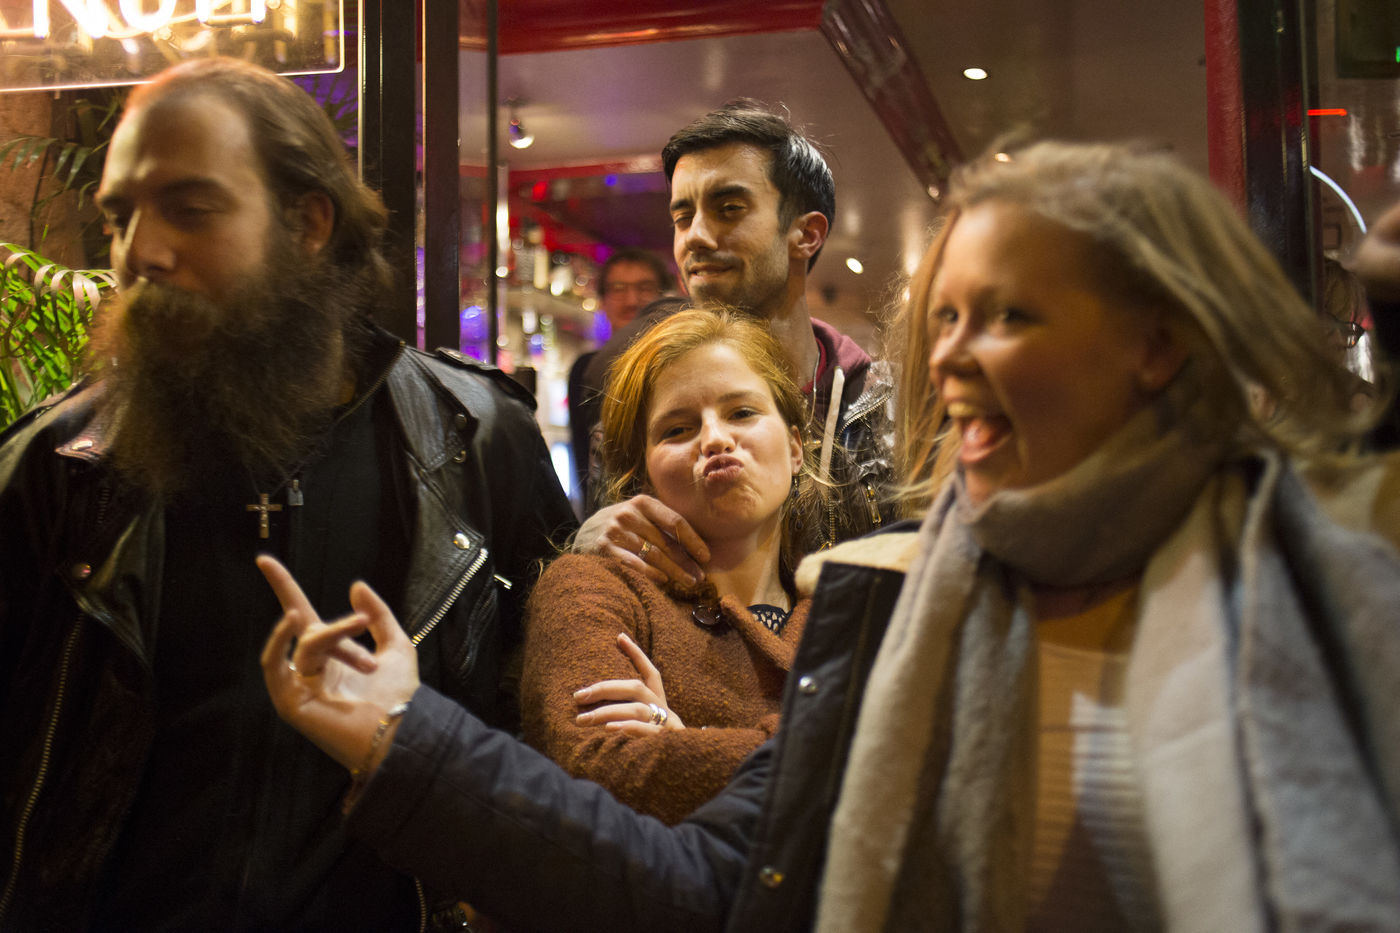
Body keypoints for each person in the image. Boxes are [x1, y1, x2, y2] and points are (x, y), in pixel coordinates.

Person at [259, 141, 1400, 933]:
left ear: (1158, 343)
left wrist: (718, 741)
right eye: (944, 317)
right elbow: (700, 879)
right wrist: (404, 737)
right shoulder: (909, 598)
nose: (951, 357)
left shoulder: (1318, 575)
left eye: (1008, 315)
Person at [0, 58, 574, 931]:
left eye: (190, 209)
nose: (138, 253)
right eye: (119, 219)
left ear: (307, 222)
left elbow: (544, 738)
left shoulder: (476, 441)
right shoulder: (59, 468)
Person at [573, 99, 897, 584]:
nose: (696, 236)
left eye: (728, 210)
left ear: (807, 234)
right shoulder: (637, 405)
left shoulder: (887, 407)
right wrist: (589, 548)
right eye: (683, 217)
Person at [523, 309, 819, 825]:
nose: (715, 439)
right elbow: (598, 771)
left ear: (795, 447)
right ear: (643, 475)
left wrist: (686, 743)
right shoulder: (589, 588)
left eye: (742, 412)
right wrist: (819, 756)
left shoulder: (849, 612)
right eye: (678, 429)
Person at [566, 248, 671, 501]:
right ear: (602, 301)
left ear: (663, 297)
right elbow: (584, 458)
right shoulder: (585, 368)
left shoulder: (675, 361)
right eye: (618, 289)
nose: (632, 300)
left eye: (645, 288)